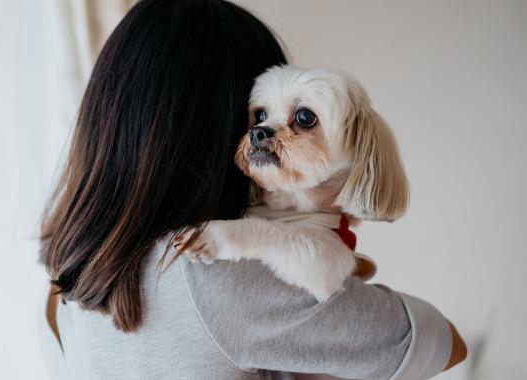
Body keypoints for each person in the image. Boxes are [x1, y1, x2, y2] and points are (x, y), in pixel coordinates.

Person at [39, 0, 467, 379]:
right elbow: (443, 344)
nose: (264, 132)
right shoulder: (222, 271)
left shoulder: (68, 272)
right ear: (218, 129)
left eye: (302, 119)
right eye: (257, 113)